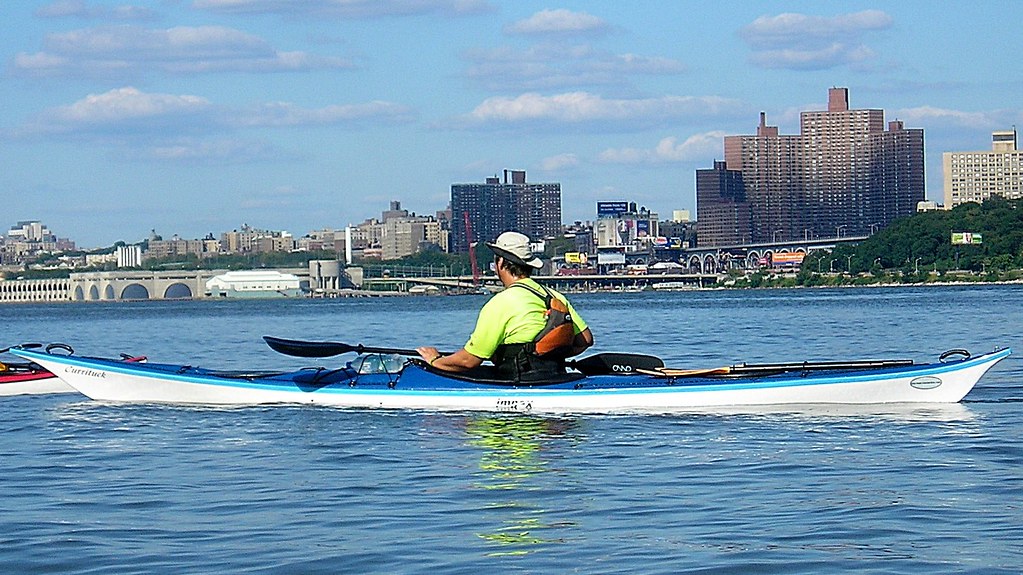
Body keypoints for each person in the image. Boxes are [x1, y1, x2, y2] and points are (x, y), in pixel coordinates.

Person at [417, 231, 594, 381]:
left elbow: (468, 361)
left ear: (500, 263)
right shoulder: (554, 296)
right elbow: (585, 340)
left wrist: (435, 360)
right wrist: (550, 355)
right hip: (556, 378)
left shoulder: (501, 302)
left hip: (519, 382)